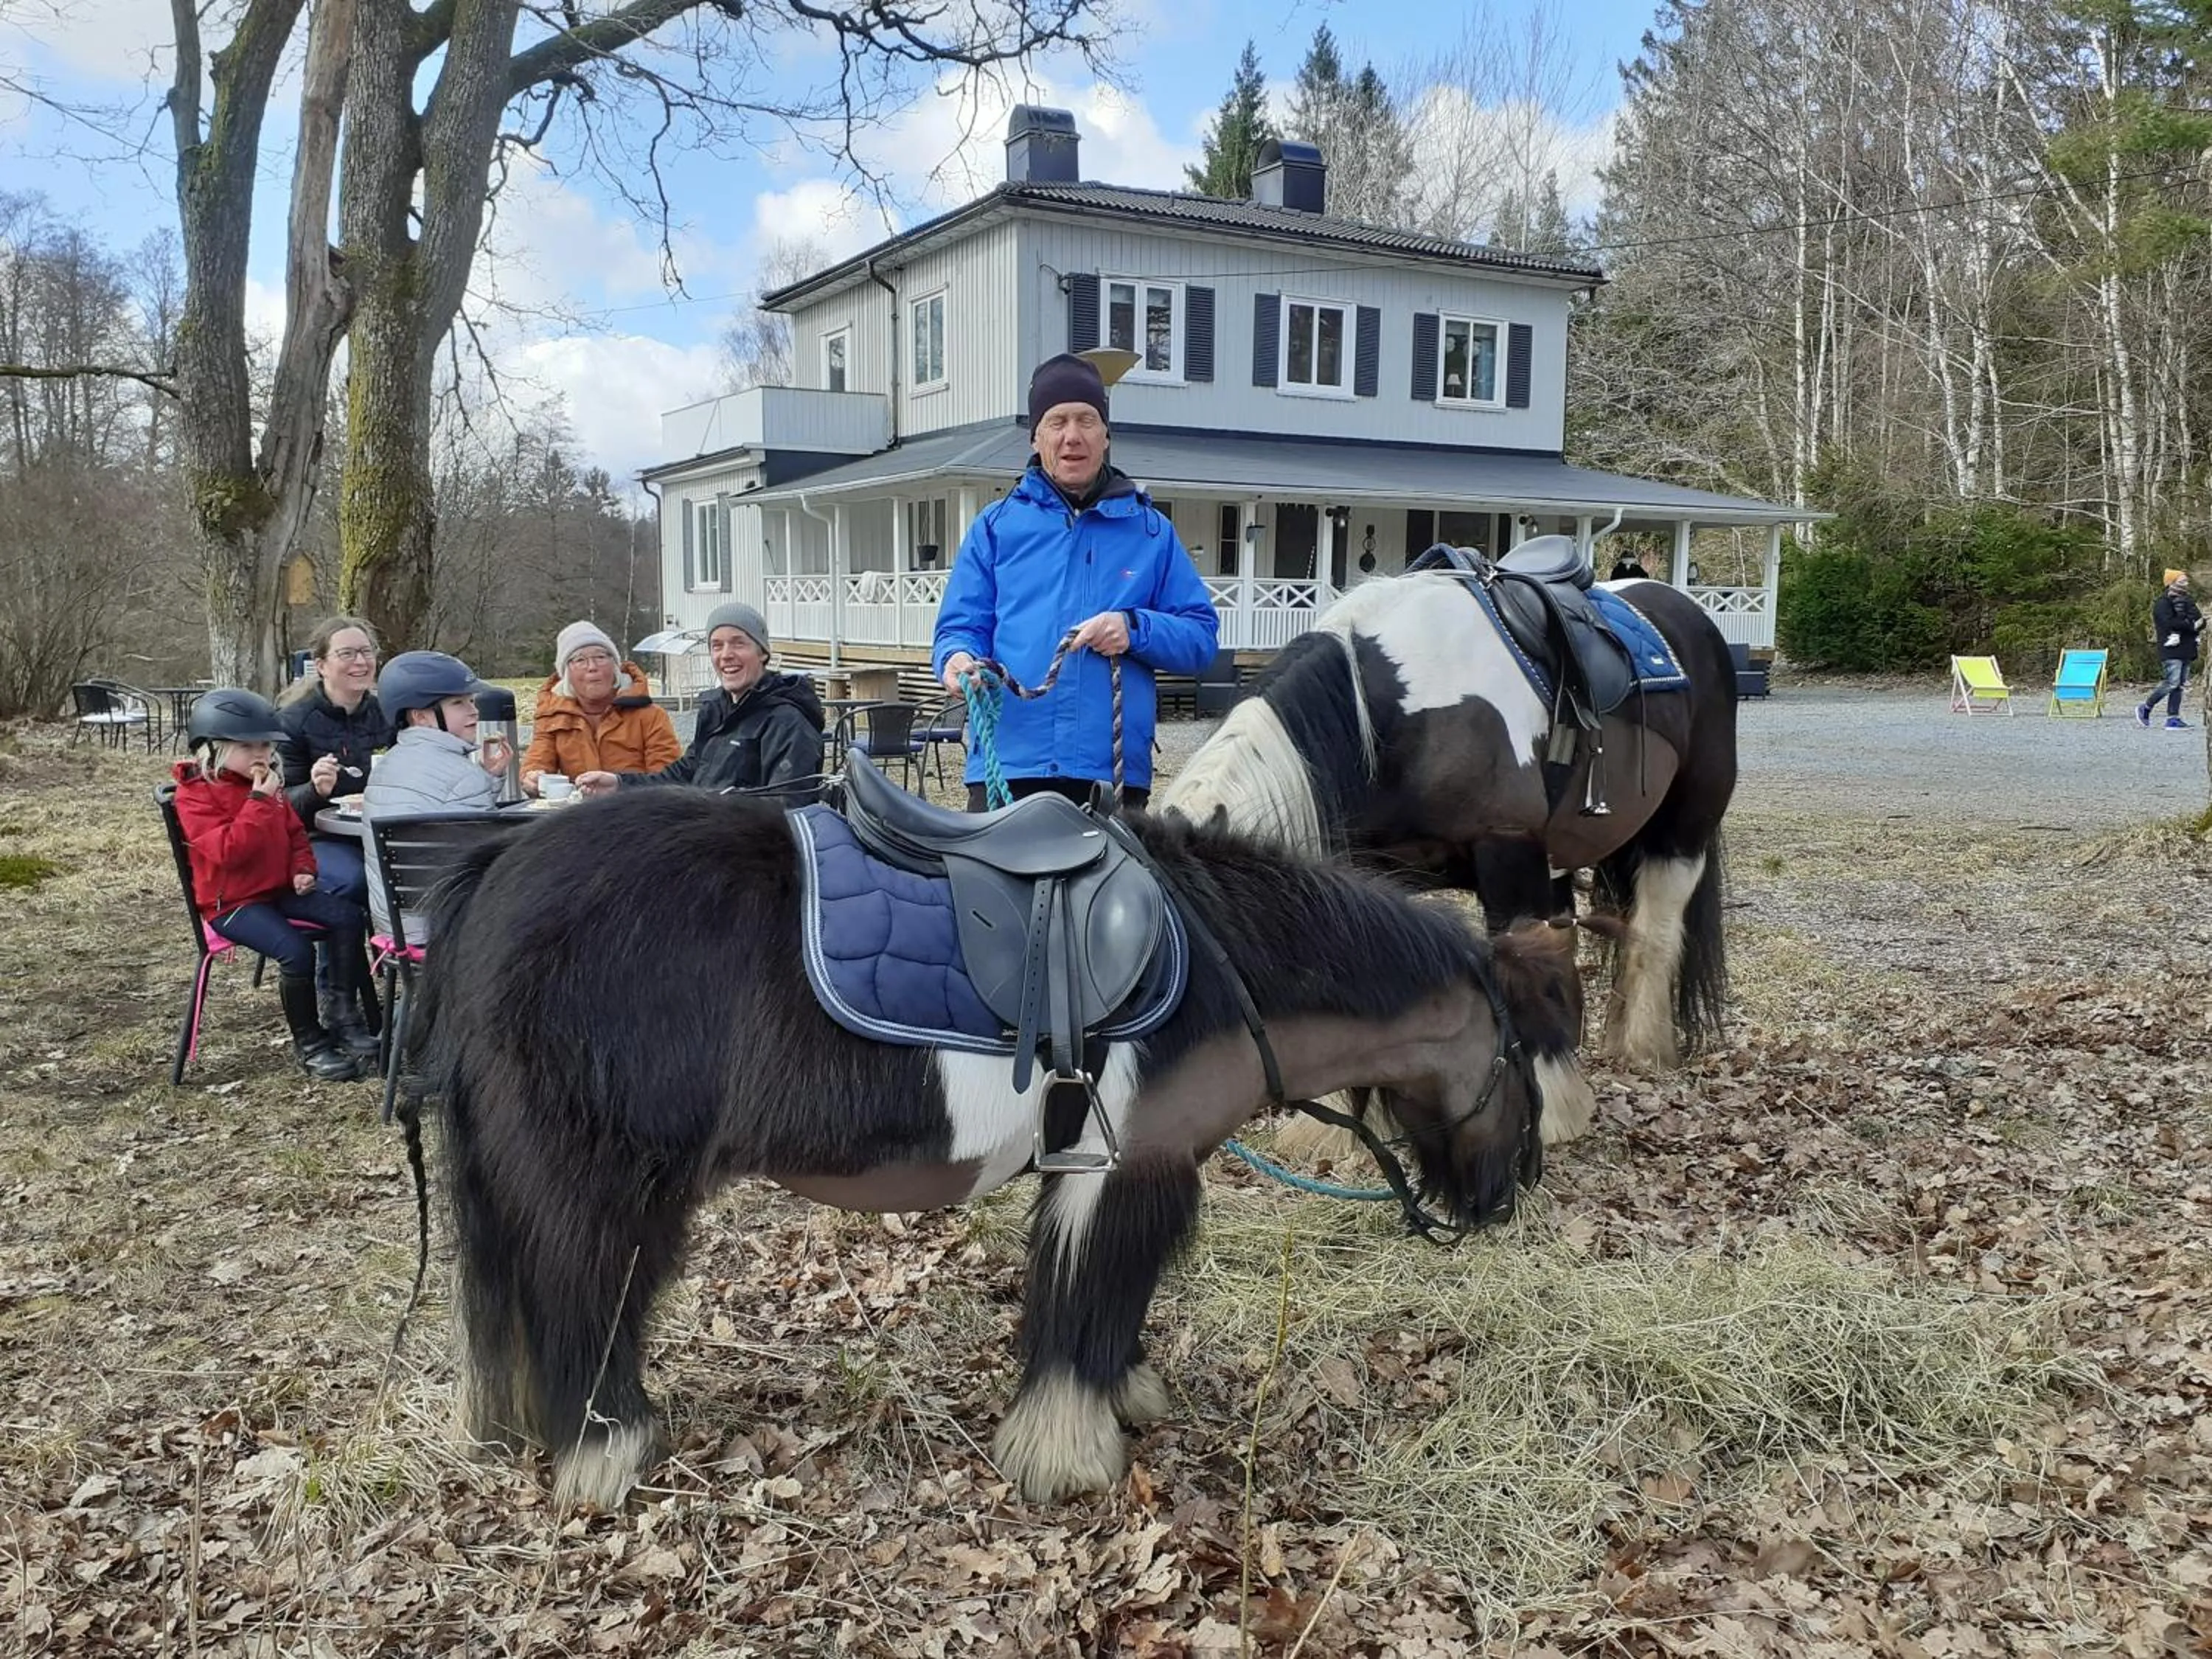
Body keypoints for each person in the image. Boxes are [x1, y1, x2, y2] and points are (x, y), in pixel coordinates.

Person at [933, 352, 1220, 812]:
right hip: (1008, 768)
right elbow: (959, 628)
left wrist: (1134, 629)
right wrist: (958, 659)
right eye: (1057, 421)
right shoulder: (995, 528)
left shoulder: (1151, 533)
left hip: (1108, 774)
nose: (1072, 437)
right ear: (1036, 436)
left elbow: (1201, 639)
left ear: (1106, 435)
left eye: (1087, 420)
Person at [172, 689, 375, 1082]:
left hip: (277, 889)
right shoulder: (196, 796)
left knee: (349, 917)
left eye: (265, 745)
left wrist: (304, 868)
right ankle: (311, 1044)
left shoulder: (269, 785)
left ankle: (342, 1014)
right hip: (231, 903)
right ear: (213, 749)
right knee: (297, 952)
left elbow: (297, 835)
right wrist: (260, 802)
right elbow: (229, 853)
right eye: (247, 747)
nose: (260, 755)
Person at [276, 616, 393, 1048]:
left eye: (366, 653)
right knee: (353, 884)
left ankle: (402, 998)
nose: (360, 662)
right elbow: (279, 806)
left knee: (419, 874)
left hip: (378, 831)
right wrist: (314, 789)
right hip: (315, 839)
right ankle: (342, 1008)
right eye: (347, 654)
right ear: (321, 665)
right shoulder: (294, 720)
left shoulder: (385, 713)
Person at [577, 602, 825, 801]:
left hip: (748, 853)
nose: (726, 654)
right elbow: (684, 775)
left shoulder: (787, 721)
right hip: (702, 835)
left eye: (739, 643)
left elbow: (787, 805)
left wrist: (704, 815)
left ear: (762, 653)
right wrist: (619, 784)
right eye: (717, 646)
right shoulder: (716, 711)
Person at [362, 651, 510, 940]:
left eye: (471, 701)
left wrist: (487, 778)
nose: (474, 710)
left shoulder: (387, 764)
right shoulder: (463, 775)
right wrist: (485, 780)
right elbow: (482, 861)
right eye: (458, 703)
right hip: (444, 930)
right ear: (421, 716)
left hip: (394, 923)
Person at [519, 621, 681, 796]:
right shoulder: (553, 717)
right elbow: (538, 762)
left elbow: (667, 780)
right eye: (580, 660)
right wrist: (533, 777)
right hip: (578, 815)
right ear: (566, 674)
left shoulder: (650, 716)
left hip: (636, 813)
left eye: (601, 657)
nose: (592, 667)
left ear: (615, 667)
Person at [2139, 569, 2205, 730]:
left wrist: (2197, 624)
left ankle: (2173, 718)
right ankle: (2146, 706)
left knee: (2180, 684)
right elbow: (2169, 623)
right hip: (2170, 648)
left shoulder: (2188, 600)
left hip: (2187, 647)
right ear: (2172, 583)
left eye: (2186, 581)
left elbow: (2200, 619)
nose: (2186, 583)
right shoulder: (2162, 603)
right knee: (2172, 682)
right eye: (2182, 581)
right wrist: (2191, 625)